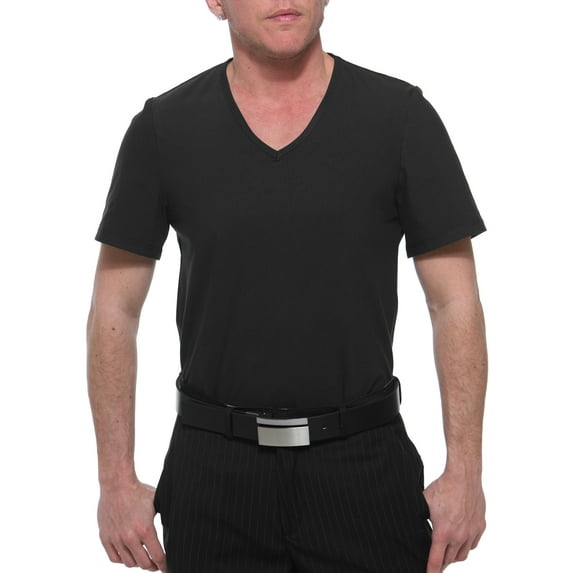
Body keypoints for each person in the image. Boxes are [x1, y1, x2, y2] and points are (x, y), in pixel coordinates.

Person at [87, 1, 488, 572]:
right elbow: (115, 309)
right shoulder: (163, 129)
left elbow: (454, 302)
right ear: (216, 1)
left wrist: (466, 471)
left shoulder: (400, 118)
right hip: (213, 475)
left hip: (365, 468)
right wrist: (115, 480)